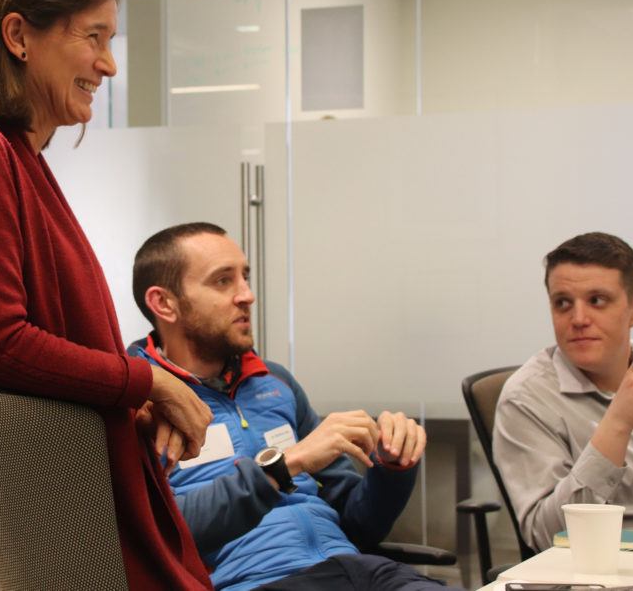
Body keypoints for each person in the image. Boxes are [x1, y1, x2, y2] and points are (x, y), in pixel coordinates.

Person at [0, 0, 213, 589]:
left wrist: (126, 407)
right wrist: (147, 384)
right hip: (39, 521)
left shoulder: (18, 158)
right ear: (18, 35)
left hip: (66, 500)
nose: (107, 64)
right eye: (94, 37)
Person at [128, 222, 453, 591]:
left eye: (245, 278)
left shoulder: (275, 381)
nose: (247, 295)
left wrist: (392, 468)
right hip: (259, 581)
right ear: (164, 303)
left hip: (361, 571)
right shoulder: (138, 406)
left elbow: (358, 524)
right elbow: (158, 537)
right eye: (223, 281)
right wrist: (285, 467)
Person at [493, 231, 633, 551]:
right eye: (562, 303)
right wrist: (617, 424)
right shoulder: (525, 398)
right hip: (610, 570)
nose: (578, 319)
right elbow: (546, 537)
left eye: (596, 301)